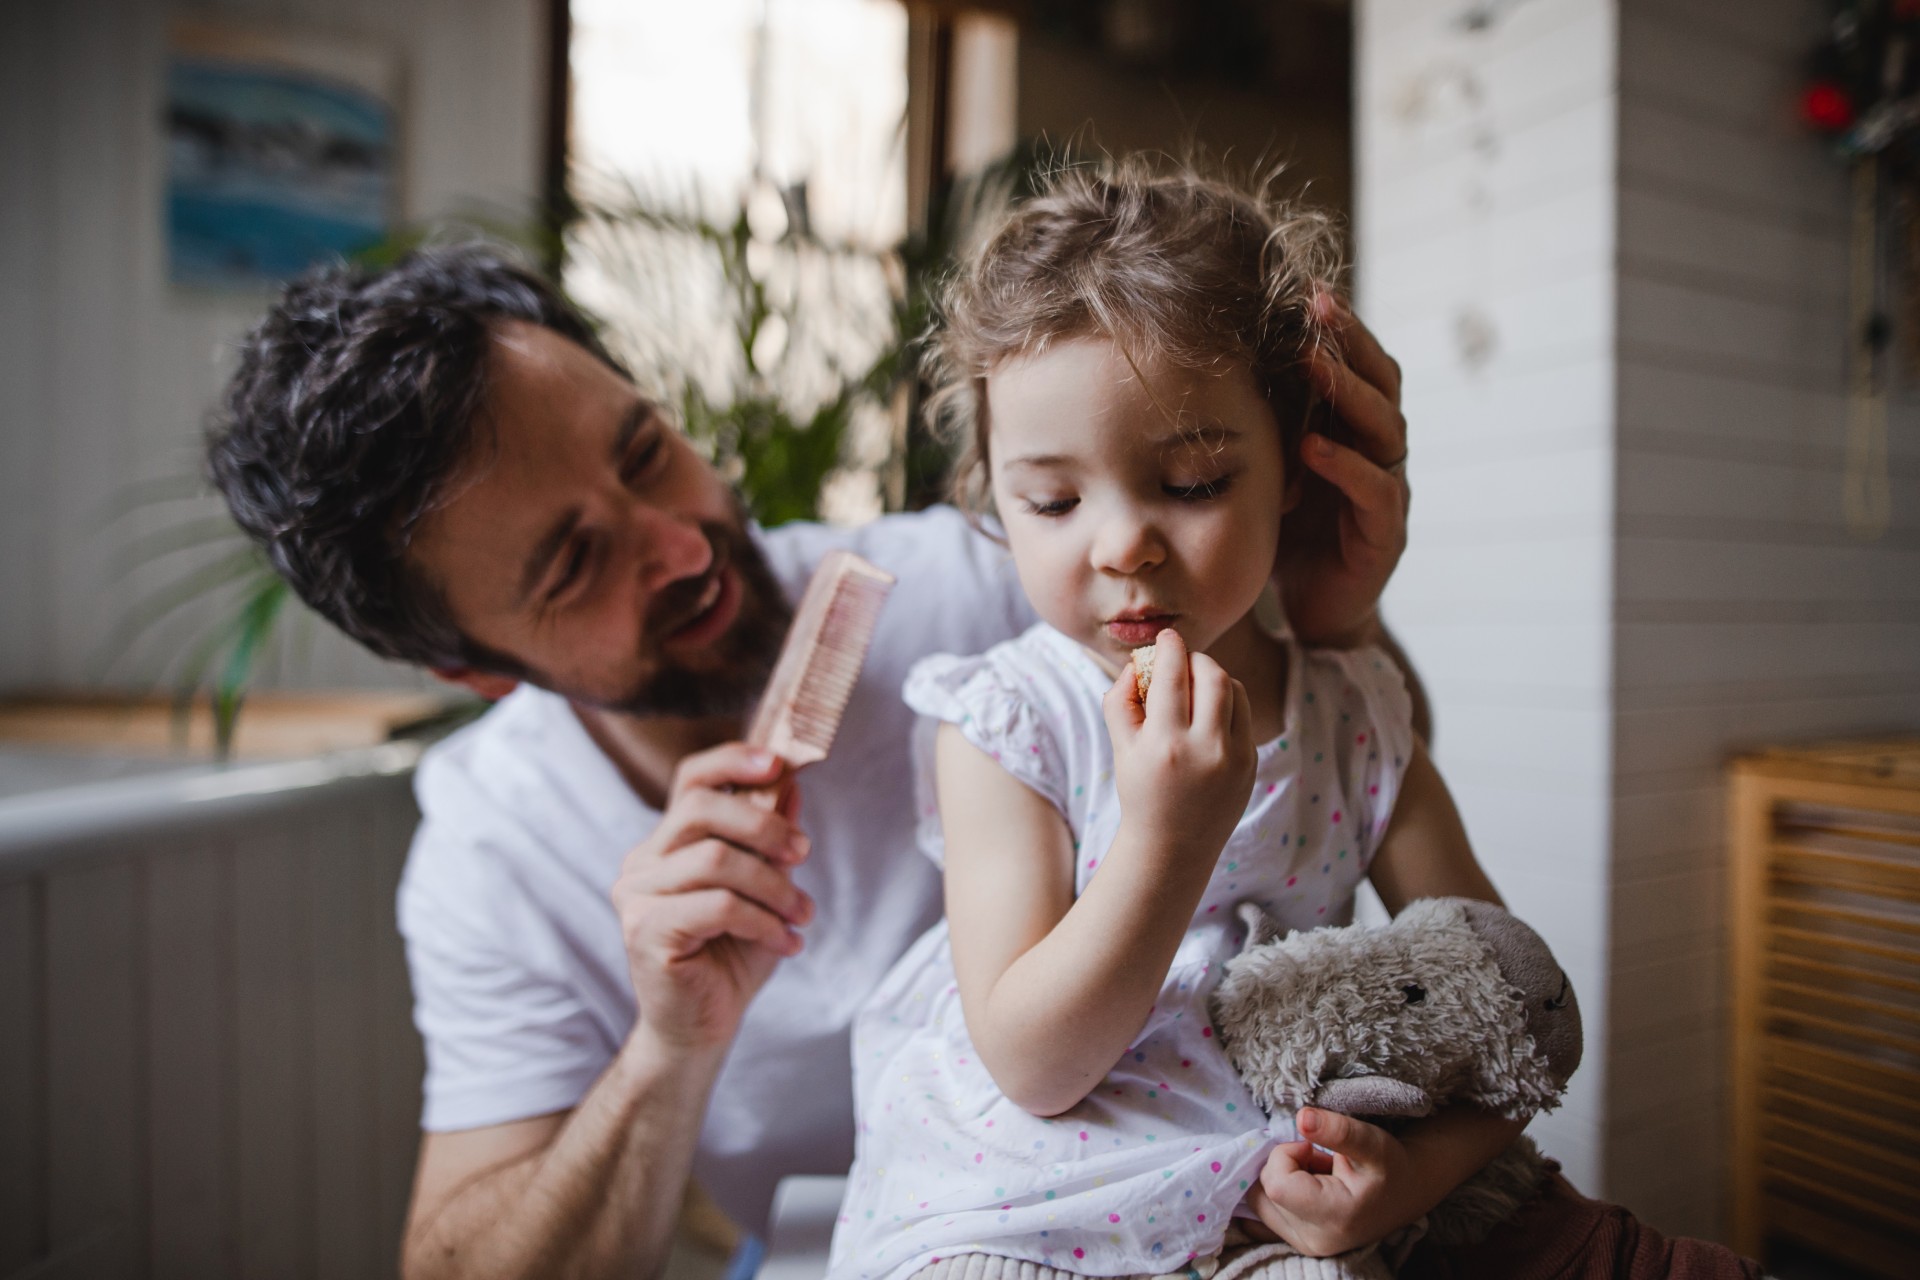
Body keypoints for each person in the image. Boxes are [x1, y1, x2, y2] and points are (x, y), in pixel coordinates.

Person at [204, 228, 1414, 1278]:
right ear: (472, 665)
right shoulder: (495, 846)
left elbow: (1338, 771)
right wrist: (668, 1047)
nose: (680, 547)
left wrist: (1326, 624)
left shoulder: (981, 581)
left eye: (643, 453)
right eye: (574, 563)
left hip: (1193, 1196)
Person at [827, 161, 1523, 1278]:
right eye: (1052, 501)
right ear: (993, 495)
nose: (1120, 545)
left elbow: (1511, 1013)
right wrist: (1165, 839)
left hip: (1263, 1198)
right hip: (1014, 1197)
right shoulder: (1009, 721)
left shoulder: (1353, 716)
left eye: (1193, 481)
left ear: (1297, 466)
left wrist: (1416, 1176)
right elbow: (1034, 1065)